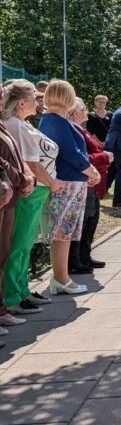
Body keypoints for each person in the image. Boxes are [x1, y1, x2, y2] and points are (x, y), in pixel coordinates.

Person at [1, 80, 62, 315]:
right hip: (31, 190)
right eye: (34, 97)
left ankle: (23, 290)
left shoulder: (22, 123)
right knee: (19, 243)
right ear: (21, 102)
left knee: (25, 244)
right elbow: (31, 163)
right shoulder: (14, 124)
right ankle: (13, 295)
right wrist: (52, 182)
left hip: (37, 190)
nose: (38, 101)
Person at [38, 80, 101, 295]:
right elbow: (70, 152)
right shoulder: (55, 121)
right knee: (63, 232)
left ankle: (61, 278)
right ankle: (61, 279)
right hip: (67, 182)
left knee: (65, 232)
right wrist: (90, 170)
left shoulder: (53, 119)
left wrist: (88, 170)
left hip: (71, 180)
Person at [0, 86, 37, 329]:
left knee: (5, 250)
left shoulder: (3, 125)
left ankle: (2, 309)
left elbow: (14, 155)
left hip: (9, 195)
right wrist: (21, 177)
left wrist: (25, 175)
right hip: (7, 190)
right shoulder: (10, 123)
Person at [67, 98, 110, 273]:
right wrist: (105, 157)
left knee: (91, 220)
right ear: (75, 112)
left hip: (92, 183)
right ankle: (74, 261)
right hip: (84, 181)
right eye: (83, 109)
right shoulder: (73, 130)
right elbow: (82, 158)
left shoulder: (81, 129)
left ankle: (85, 256)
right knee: (83, 221)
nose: (87, 112)